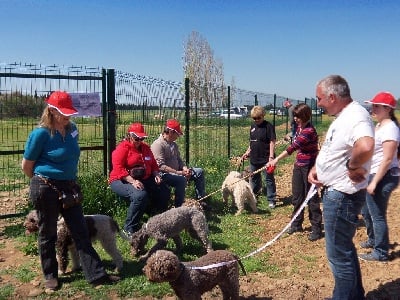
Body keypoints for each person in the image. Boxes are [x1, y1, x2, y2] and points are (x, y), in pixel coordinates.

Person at [21, 91, 120, 291]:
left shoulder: (73, 129)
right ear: (51, 110)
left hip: (69, 186)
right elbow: (26, 165)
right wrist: (43, 182)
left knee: (81, 230)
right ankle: (51, 276)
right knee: (48, 233)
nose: (67, 117)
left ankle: (96, 275)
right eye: (62, 113)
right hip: (45, 187)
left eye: (69, 113)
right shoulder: (40, 134)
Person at [308, 75, 374, 300]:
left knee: (338, 256)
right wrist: (319, 168)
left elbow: (365, 145)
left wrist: (353, 165)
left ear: (332, 96)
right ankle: (353, 295)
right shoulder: (347, 116)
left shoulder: (356, 116)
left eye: (319, 99)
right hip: (339, 192)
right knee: (344, 250)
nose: (318, 103)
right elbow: (338, 149)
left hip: (342, 195)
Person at [267, 103, 322, 241]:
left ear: (305, 116)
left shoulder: (309, 131)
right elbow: (294, 141)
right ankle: (296, 223)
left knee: (311, 197)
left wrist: (275, 159)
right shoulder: (299, 127)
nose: (295, 118)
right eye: (295, 116)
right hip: (299, 165)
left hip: (310, 166)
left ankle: (316, 228)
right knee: (297, 196)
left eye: (298, 116)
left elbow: (293, 148)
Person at [109, 122, 170, 237]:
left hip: (144, 178)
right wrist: (133, 181)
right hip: (121, 179)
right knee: (140, 196)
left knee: (164, 191)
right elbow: (118, 169)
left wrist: (156, 174)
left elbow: (153, 165)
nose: (139, 141)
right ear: (130, 135)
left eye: (141, 138)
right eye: (136, 138)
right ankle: (129, 228)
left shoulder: (146, 148)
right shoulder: (122, 148)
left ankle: (156, 218)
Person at [359, 92, 400, 262]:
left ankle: (381, 252)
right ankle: (373, 239)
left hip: (382, 177)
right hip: (372, 173)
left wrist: (374, 182)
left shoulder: (390, 128)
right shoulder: (379, 126)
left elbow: (388, 159)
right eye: (373, 105)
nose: (372, 108)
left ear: (387, 109)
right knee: (366, 211)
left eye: (376, 106)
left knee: (377, 215)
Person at [151, 119, 206, 207]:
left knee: (199, 171)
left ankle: (201, 200)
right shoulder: (158, 144)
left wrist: (185, 168)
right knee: (181, 180)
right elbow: (160, 166)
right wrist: (179, 173)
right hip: (164, 174)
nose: (178, 136)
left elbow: (179, 160)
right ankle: (179, 207)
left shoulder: (173, 144)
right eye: (177, 134)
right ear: (171, 132)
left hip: (177, 171)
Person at [242, 105, 277, 208]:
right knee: (254, 178)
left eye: (258, 118)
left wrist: (271, 157)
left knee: (269, 179)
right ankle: (254, 197)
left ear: (263, 116)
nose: (256, 120)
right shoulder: (252, 126)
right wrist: (247, 151)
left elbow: (272, 141)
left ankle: (271, 199)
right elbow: (252, 141)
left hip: (266, 158)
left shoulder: (268, 126)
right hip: (254, 157)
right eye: (254, 118)